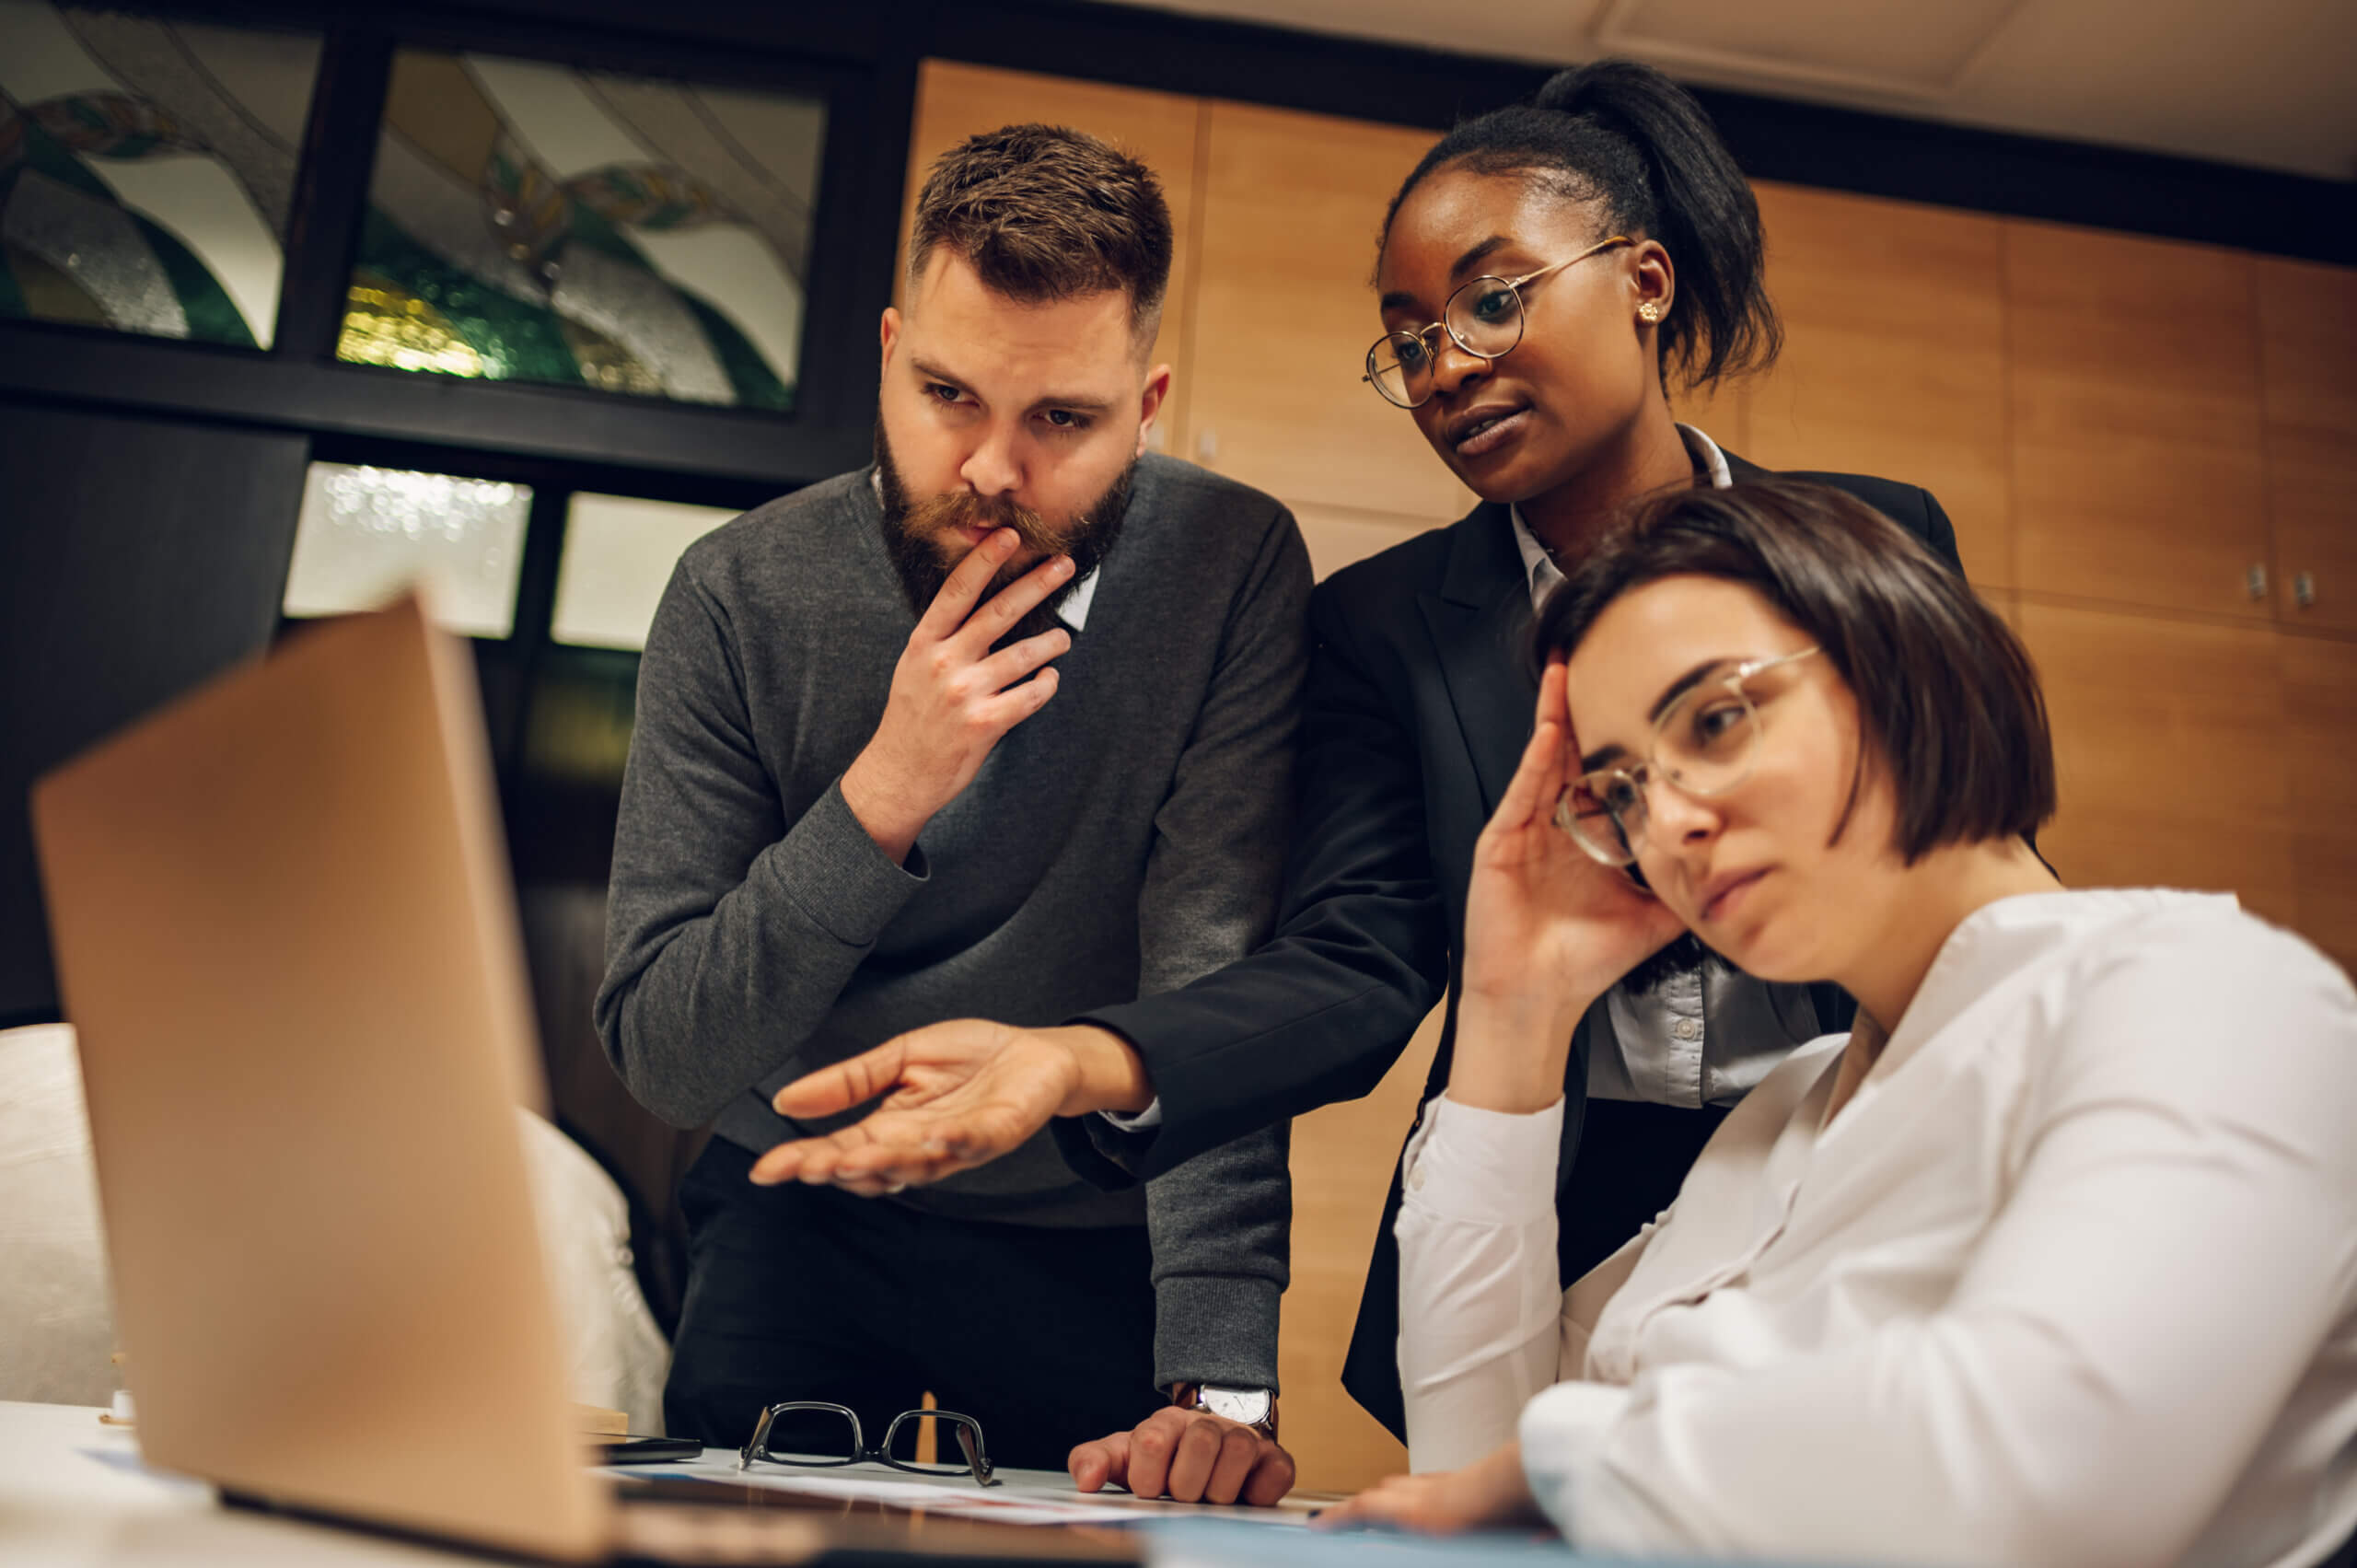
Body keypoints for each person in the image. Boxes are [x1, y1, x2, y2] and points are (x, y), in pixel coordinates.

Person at [751, 61, 1968, 1437]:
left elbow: (1972, 863)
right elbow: (1353, 959)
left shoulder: (1884, 539)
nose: (1450, 364)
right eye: (1412, 337)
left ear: (1643, 278)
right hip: (1545, 1205)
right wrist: (1084, 1055)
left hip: (1854, 1150)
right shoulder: (1384, 626)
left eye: (1495, 299)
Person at [1323, 478, 2357, 1566]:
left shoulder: (2208, 995)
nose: (1666, 821)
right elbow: (1463, 1472)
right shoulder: (1786, 1102)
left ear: (1900, 652)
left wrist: (1556, 1461)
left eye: (1714, 720)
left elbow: (2039, 1470)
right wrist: (1509, 1009)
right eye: (1620, 791)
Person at [593, 123, 1305, 1505]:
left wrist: (1220, 1376)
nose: (989, 467)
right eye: (946, 394)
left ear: (1147, 404)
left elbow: (1216, 977)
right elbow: (669, 1058)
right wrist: (886, 792)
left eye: (1062, 419)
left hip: (1088, 1218)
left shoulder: (1230, 564)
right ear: (887, 348)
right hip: (792, 1190)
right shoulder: (735, 592)